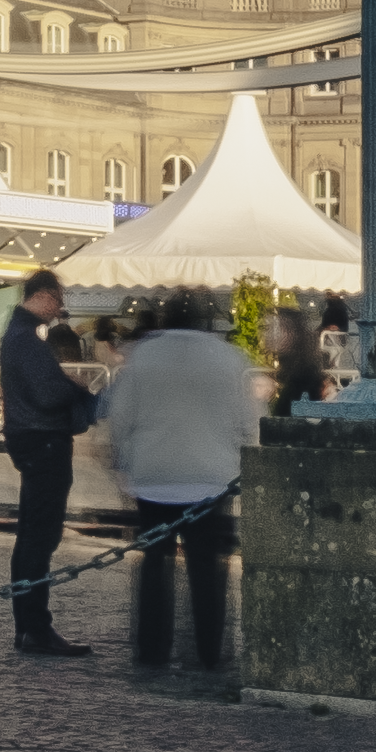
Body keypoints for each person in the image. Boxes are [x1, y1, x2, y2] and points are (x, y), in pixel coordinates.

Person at [104, 289, 260, 679]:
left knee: (155, 565)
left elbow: (119, 417)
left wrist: (121, 461)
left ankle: (153, 648)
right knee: (208, 570)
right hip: (210, 478)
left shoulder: (143, 357)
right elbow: (250, 420)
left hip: (153, 474)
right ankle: (208, 651)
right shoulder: (229, 358)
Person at [0, 268, 97, 659]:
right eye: (57, 300)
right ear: (40, 296)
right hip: (43, 441)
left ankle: (30, 626)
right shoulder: (25, 340)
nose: (60, 309)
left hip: (31, 438)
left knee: (33, 537)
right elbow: (46, 393)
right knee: (40, 537)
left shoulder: (19, 336)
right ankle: (36, 627)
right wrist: (74, 386)